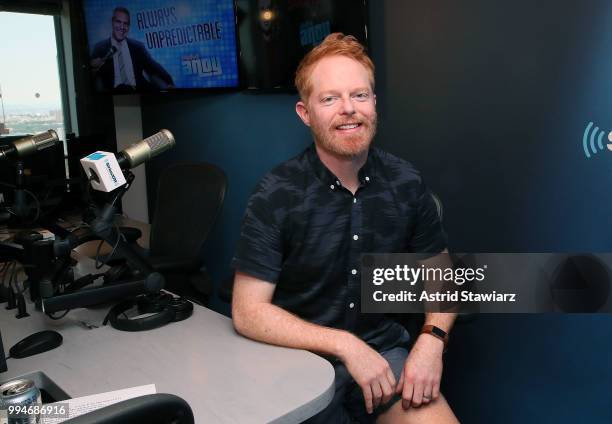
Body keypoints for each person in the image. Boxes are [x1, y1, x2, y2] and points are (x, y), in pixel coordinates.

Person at [231, 33, 459, 423]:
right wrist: (345, 345)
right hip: (297, 363)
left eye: (359, 95)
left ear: (374, 103)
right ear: (305, 113)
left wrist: (431, 342)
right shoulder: (276, 193)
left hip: (385, 358)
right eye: (330, 98)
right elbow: (247, 311)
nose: (349, 110)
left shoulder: (406, 182)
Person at [90, 6, 174, 91]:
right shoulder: (100, 48)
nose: (122, 27)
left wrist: (169, 82)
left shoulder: (137, 46)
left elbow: (153, 67)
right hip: (114, 94)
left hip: (138, 90)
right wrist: (92, 68)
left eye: (125, 23)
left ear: (129, 26)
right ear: (112, 22)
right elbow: (90, 75)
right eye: (118, 22)